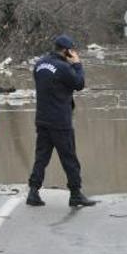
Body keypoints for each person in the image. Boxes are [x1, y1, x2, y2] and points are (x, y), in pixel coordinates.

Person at [26, 35, 96, 207]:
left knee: (41, 157)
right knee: (69, 158)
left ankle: (33, 192)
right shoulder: (63, 67)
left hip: (42, 119)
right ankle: (75, 194)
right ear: (66, 51)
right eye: (72, 50)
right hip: (60, 121)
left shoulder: (40, 64)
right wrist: (77, 64)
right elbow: (79, 83)